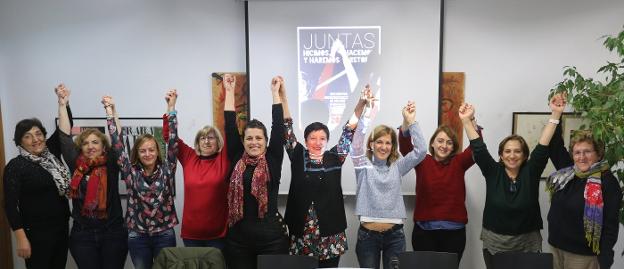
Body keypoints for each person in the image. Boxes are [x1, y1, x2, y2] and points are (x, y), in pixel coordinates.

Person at [461, 95, 563, 268]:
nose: (512, 155)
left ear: (524, 155)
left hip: (528, 242)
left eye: (517, 151)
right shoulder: (493, 171)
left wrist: (556, 113)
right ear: (501, 155)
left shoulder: (531, 171)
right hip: (495, 242)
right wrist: (466, 121)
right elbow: (478, 148)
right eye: (507, 151)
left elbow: (543, 145)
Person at [281, 78, 366, 268]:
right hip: (302, 234)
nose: (317, 142)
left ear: (327, 141)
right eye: (313, 138)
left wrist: (361, 104)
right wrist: (283, 98)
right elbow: (286, 128)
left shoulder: (335, 157)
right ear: (305, 139)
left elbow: (349, 131)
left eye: (322, 138)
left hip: (330, 234)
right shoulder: (297, 156)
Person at [161, 76, 240, 249]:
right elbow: (169, 137)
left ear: (218, 142)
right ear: (197, 142)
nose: (206, 141)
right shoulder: (189, 157)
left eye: (211, 138)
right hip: (191, 235)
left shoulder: (224, 158)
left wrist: (229, 91)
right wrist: (171, 107)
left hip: (219, 236)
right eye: (202, 138)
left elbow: (231, 128)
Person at [102, 93, 179, 269]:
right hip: (138, 236)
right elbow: (117, 143)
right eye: (143, 151)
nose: (147, 154)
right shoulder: (130, 172)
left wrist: (171, 108)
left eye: (151, 150)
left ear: (157, 152)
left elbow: (173, 141)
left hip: (164, 234)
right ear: (137, 153)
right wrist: (109, 112)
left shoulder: (168, 169)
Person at [351, 93, 427, 269]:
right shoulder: (362, 166)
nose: (383, 147)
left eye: (388, 143)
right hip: (367, 237)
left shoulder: (398, 166)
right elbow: (355, 144)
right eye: (379, 142)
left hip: (394, 237)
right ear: (371, 144)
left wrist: (411, 121)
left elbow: (421, 150)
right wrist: (365, 110)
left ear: (392, 146)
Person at [57, 84, 128, 268]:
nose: (90, 146)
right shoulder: (76, 165)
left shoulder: (111, 162)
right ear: (80, 148)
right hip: (83, 236)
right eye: (86, 143)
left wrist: (112, 110)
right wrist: (62, 104)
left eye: (95, 142)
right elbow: (64, 137)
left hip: (113, 233)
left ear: (104, 147)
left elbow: (118, 138)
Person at [546, 97, 622, 269]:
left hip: (583, 256)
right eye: (577, 152)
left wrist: (605, 259)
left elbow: (610, 226)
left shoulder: (607, 182)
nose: (581, 157)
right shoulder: (569, 172)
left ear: (598, 154)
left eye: (587, 151)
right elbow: (554, 145)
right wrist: (556, 113)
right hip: (556, 248)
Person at [3, 86, 72, 268]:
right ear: (20, 142)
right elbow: (10, 205)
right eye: (28, 136)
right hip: (35, 234)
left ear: (44, 136)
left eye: (38, 134)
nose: (35, 140)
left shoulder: (52, 153)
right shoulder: (15, 166)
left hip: (61, 228)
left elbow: (65, 128)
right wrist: (21, 239)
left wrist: (63, 103)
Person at [224, 76, 289, 269]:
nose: (254, 142)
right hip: (238, 241)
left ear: (266, 141)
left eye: (259, 138)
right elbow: (229, 125)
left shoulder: (273, 158)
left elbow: (278, 127)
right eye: (249, 138)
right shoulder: (237, 156)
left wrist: (275, 94)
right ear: (243, 141)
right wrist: (229, 91)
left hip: (272, 241)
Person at [399, 120, 479, 263]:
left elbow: (476, 148)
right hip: (424, 233)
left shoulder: (459, 162)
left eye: (449, 142)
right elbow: (405, 148)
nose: (444, 146)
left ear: (453, 146)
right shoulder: (422, 160)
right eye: (440, 141)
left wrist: (472, 123)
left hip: (454, 234)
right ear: (432, 144)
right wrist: (406, 122)